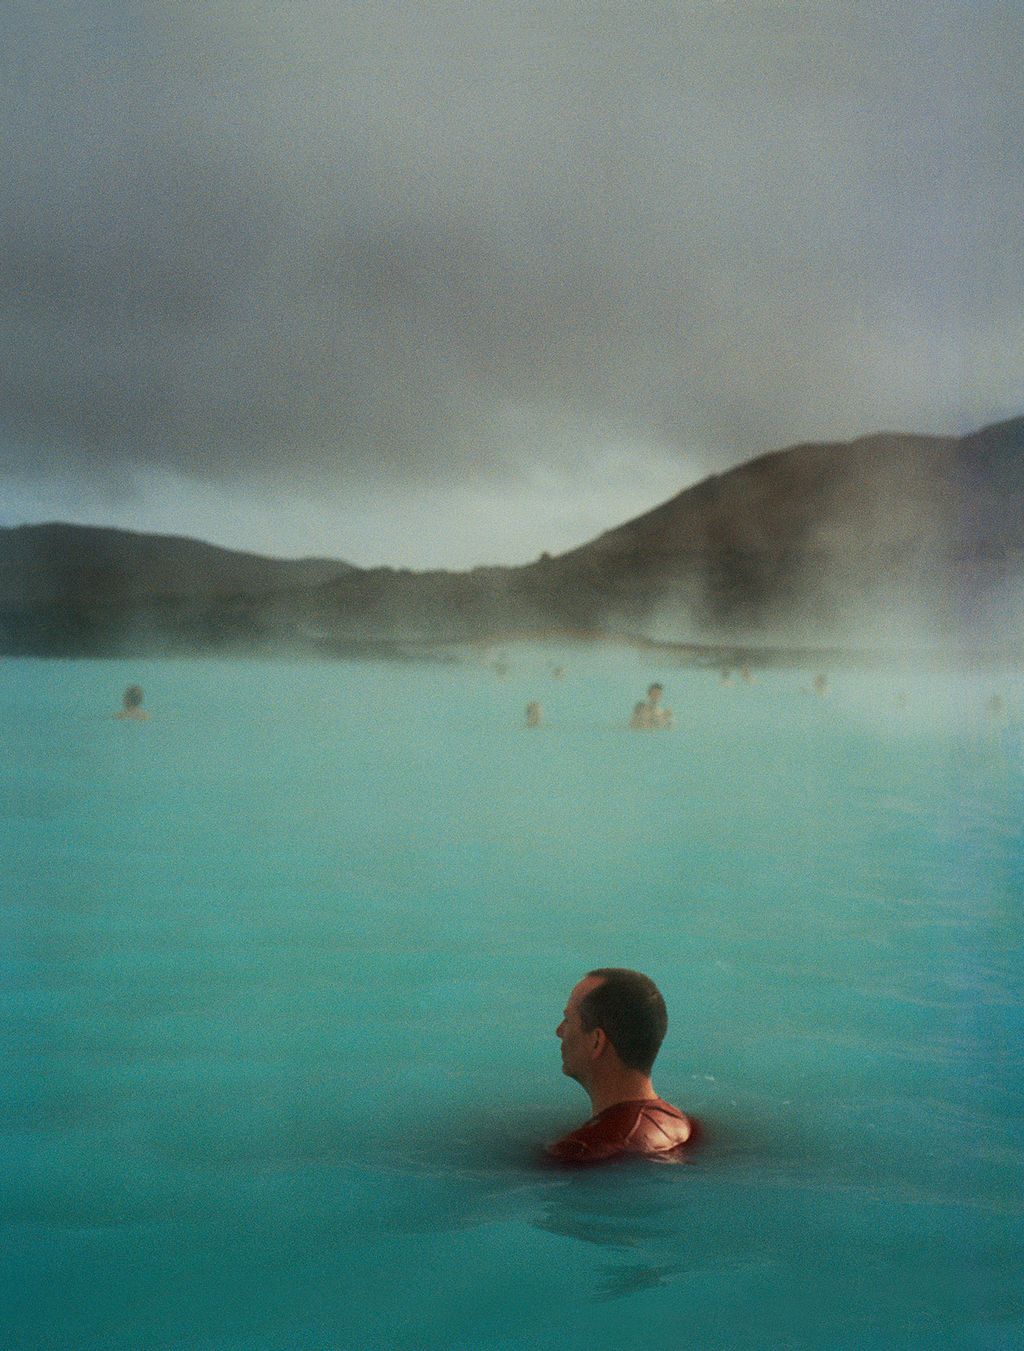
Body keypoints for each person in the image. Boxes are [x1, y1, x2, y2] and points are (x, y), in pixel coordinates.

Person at [547, 968, 700, 1165]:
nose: (559, 1031)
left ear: (596, 1041)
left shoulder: (581, 1150)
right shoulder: (683, 1125)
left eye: (568, 1020)